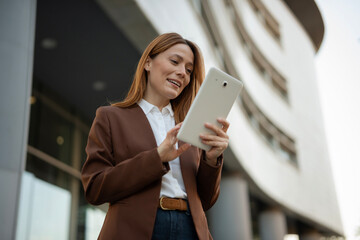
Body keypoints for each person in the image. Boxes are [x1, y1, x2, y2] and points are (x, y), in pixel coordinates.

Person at [81, 32, 230, 240]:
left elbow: (205, 201)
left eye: (188, 70)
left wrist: (212, 159)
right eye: (175, 61)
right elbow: (95, 188)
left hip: (190, 230)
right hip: (135, 231)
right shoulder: (110, 117)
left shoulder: (190, 127)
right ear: (148, 63)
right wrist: (157, 157)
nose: (182, 73)